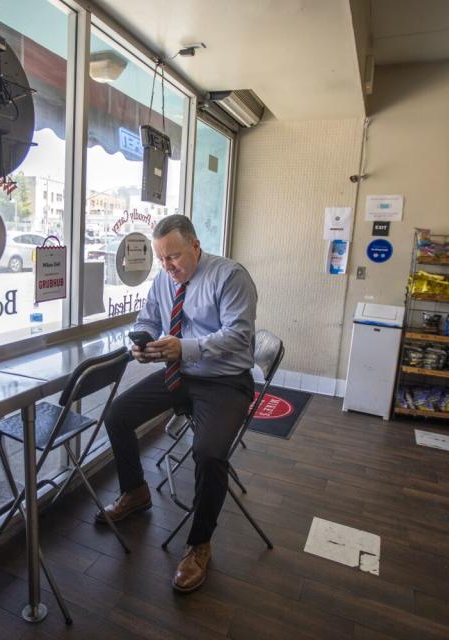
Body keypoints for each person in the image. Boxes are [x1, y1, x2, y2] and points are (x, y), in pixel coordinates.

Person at [97, 214, 258, 593]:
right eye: (161, 259)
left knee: (209, 452)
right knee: (117, 414)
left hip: (224, 381)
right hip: (181, 374)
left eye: (174, 257)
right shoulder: (164, 280)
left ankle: (199, 544)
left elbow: (238, 336)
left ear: (196, 246)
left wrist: (183, 347)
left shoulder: (230, 276)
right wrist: (141, 343)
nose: (168, 267)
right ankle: (136, 492)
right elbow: (150, 318)